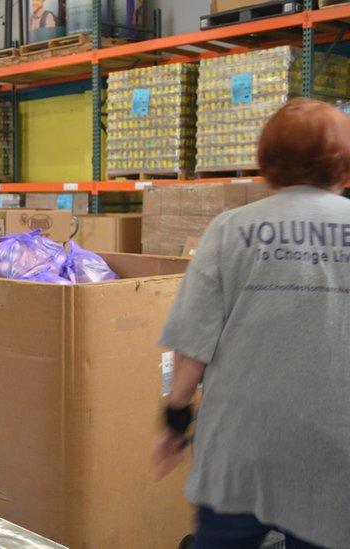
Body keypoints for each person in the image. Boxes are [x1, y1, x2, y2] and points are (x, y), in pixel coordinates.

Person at [153, 98, 350, 549]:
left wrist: (174, 418)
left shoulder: (229, 229)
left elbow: (192, 341)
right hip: (337, 446)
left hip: (240, 443)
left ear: (267, 161)